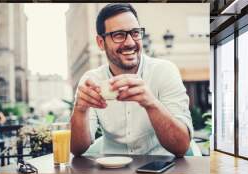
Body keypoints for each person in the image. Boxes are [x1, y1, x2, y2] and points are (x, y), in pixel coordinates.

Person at [70, 3, 193, 157]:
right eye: (119, 35)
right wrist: (80, 110)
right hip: (111, 172)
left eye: (135, 33)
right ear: (101, 43)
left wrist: (151, 104)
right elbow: (76, 149)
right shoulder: (92, 80)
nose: (130, 42)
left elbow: (181, 147)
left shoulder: (164, 71)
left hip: (160, 171)